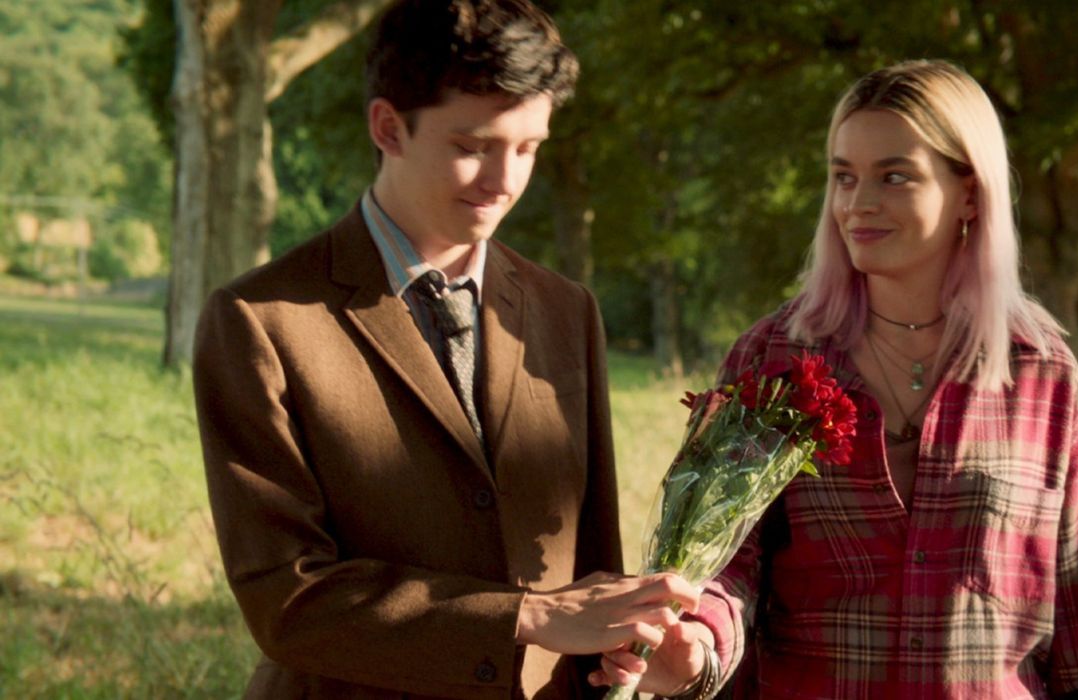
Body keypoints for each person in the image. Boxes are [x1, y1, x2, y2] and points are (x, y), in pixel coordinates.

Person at [592, 60, 1078, 699]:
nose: (858, 204)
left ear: (970, 191)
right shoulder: (773, 357)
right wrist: (696, 645)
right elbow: (725, 564)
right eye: (843, 177)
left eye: (895, 176)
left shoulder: (1041, 372)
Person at [192, 1, 698, 697]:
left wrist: (624, 651)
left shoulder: (567, 310)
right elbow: (285, 597)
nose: (506, 180)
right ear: (388, 127)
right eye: (473, 147)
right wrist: (525, 617)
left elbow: (591, 563)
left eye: (529, 148)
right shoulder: (258, 319)